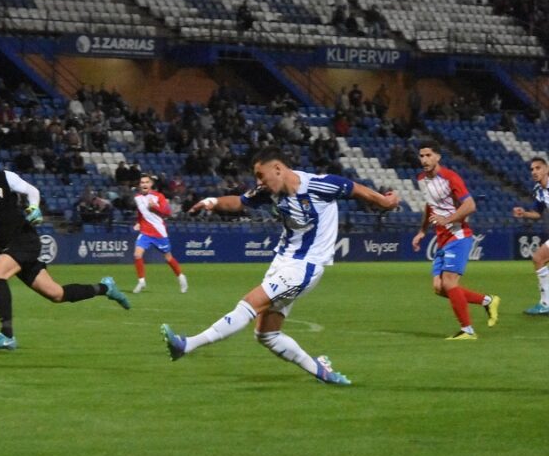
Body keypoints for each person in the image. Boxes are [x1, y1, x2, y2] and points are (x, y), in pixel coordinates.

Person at [160, 146, 399, 385]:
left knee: (248, 304)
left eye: (260, 175)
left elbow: (356, 189)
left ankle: (187, 344)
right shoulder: (269, 191)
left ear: (277, 168)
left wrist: (384, 202)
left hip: (304, 266)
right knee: (267, 334)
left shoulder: (319, 185)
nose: (258, 181)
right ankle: (322, 371)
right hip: (281, 261)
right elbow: (240, 202)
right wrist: (211, 201)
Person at [0, 143, 131, 351]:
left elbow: (32, 191)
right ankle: (105, 288)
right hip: (6, 248)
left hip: (25, 239)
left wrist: (34, 207)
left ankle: (7, 335)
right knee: (56, 294)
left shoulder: (3, 177)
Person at [411, 141, 500, 339]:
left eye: (428, 155)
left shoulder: (450, 178)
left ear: (438, 157)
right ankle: (488, 300)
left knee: (450, 283)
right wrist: (422, 231)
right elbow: (430, 205)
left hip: (458, 235)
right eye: (421, 156)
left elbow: (470, 205)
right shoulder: (421, 179)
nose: (424, 160)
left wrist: (447, 219)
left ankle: (467, 330)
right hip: (442, 238)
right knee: (439, 288)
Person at [132, 173, 187, 294]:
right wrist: (139, 222)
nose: (144, 184)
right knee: (137, 254)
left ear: (151, 184)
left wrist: (155, 207)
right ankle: (141, 282)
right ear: (139, 185)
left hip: (159, 233)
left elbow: (168, 212)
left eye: (147, 182)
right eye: (142, 182)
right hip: (145, 231)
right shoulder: (137, 198)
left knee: (168, 258)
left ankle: (181, 278)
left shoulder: (158, 196)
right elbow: (141, 213)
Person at [512, 157, 549, 314]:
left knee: (539, 258)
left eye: (538, 168)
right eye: (532, 169)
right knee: (538, 259)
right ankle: (546, 303)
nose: (534, 171)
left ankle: (546, 304)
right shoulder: (538, 190)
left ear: (547, 169)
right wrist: (524, 213)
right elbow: (538, 213)